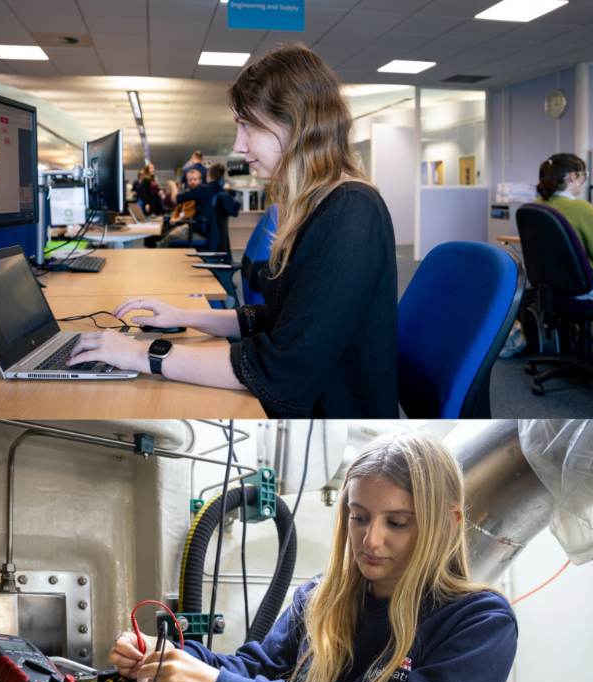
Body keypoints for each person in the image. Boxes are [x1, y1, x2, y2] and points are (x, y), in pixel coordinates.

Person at [109, 433, 516, 682]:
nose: (371, 540)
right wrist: (177, 659)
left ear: (447, 523)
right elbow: (257, 667)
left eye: (396, 522)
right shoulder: (322, 599)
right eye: (359, 517)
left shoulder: (478, 622)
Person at [68, 43, 398, 418]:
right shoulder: (318, 205)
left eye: (248, 126)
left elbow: (284, 371)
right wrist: (184, 316)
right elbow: (281, 320)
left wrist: (143, 354)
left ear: (295, 123)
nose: (239, 145)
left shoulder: (351, 212)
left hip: (326, 413)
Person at [537, 153, 593, 301]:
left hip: (557, 285)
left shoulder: (538, 205)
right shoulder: (579, 208)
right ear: (573, 176)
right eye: (584, 174)